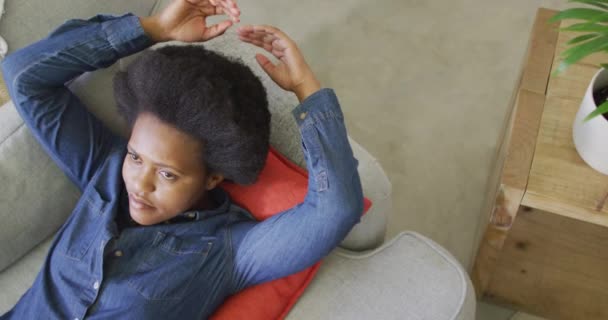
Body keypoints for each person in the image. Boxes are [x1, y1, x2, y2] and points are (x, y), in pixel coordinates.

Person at [0, 0, 364, 319]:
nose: (139, 185)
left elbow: (335, 210)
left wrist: (306, 88)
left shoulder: (226, 252)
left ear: (213, 177)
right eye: (136, 157)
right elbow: (25, 77)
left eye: (168, 175)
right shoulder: (104, 169)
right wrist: (153, 29)